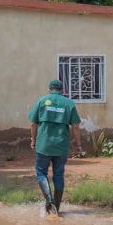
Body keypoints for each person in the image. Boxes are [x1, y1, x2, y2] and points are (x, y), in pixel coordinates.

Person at [28, 78, 81, 215]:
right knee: (58, 176)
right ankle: (56, 208)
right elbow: (75, 126)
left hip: (43, 145)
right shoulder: (69, 103)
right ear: (62, 90)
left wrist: (33, 140)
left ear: (49, 89)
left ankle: (49, 200)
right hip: (61, 146)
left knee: (41, 173)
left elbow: (33, 124)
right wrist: (78, 145)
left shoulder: (41, 101)